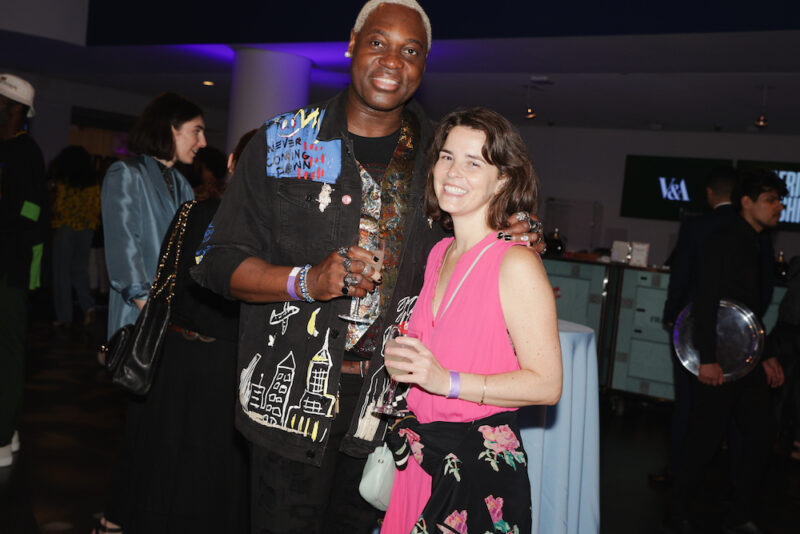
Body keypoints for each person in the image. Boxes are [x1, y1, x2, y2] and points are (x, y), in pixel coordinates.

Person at [191, 2, 542, 532]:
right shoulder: (284, 141)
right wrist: (306, 281)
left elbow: (486, 230)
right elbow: (215, 261)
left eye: (410, 50)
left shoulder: (441, 157)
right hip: (290, 400)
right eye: (378, 43)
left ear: (424, 65)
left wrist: (517, 229)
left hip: (390, 408)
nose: (392, 61)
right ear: (352, 44)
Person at [380, 107, 562, 533]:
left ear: (503, 180)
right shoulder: (439, 252)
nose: (453, 172)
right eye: (446, 157)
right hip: (423, 460)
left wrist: (448, 382)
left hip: (475, 469)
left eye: (473, 162)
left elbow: (547, 385)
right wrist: (401, 361)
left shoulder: (515, 263)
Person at [95, 133, 252, 534]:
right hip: (222, 359)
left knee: (159, 453)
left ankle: (122, 520)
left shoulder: (195, 212)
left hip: (182, 350)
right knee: (208, 463)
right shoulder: (266, 230)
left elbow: (164, 284)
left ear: (231, 162)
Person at [665, 169, 788, 534]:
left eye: (780, 200)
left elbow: (751, 310)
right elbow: (706, 300)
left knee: (761, 434)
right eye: (771, 200)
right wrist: (707, 359)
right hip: (718, 357)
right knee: (703, 440)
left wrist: (766, 353)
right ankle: (676, 515)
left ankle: (739, 512)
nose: (779, 207)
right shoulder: (724, 239)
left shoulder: (758, 241)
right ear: (747, 202)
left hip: (744, 356)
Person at [652, 166, 738, 486]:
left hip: (692, 323)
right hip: (734, 329)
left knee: (687, 401)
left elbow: (682, 274)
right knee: (727, 403)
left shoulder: (697, 226)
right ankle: (719, 474)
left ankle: (678, 469)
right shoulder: (747, 229)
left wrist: (670, 314)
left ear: (710, 193)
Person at [101, 92, 204, 341]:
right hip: (137, 312)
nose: (202, 142)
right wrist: (150, 312)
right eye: (196, 131)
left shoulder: (183, 185)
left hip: (174, 315)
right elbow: (123, 251)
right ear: (171, 129)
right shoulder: (126, 173)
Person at [0, 73, 46, 468]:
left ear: (15, 108)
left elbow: (33, 210)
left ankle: (2, 436)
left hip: (11, 268)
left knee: (9, 352)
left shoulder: (25, 152)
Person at [49, 146, 101, 328]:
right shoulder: (93, 182)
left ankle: (64, 316)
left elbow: (59, 207)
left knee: (61, 272)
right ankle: (89, 307)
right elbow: (96, 206)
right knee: (80, 270)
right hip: (86, 229)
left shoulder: (64, 181)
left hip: (66, 228)